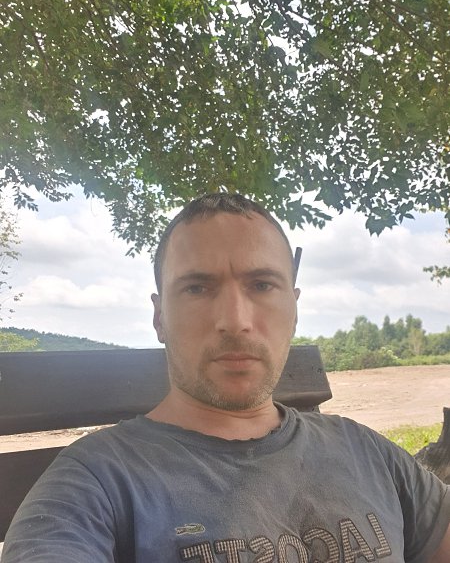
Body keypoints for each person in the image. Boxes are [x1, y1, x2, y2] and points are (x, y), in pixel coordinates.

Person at [2, 192, 449, 563]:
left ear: (294, 309)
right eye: (197, 288)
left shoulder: (365, 450)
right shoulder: (95, 482)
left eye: (262, 285)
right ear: (159, 318)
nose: (235, 321)